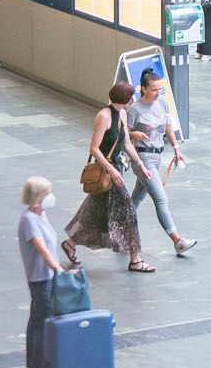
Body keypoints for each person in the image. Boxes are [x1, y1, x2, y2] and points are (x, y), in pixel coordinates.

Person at [63, 84, 148, 274]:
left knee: (95, 213)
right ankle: (135, 260)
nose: (133, 101)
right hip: (108, 171)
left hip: (116, 170)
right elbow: (94, 148)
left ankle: (71, 243)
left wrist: (140, 163)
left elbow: (126, 143)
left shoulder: (123, 115)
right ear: (125, 99)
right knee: (128, 213)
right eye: (131, 97)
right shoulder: (103, 116)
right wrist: (110, 169)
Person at [124, 72, 195, 257]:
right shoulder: (134, 110)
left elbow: (168, 125)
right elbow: (123, 134)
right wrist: (133, 135)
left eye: (159, 89)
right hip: (143, 159)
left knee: (137, 198)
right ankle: (177, 241)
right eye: (154, 89)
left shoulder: (162, 102)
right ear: (143, 89)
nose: (157, 93)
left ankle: (118, 229)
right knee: (161, 199)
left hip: (157, 155)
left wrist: (176, 147)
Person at [18, 178, 66, 368]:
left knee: (40, 320)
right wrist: (57, 267)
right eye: (47, 193)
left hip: (48, 276)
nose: (51, 198)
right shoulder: (28, 220)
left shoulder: (41, 215)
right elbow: (41, 248)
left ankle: (40, 367)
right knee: (41, 322)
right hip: (40, 278)